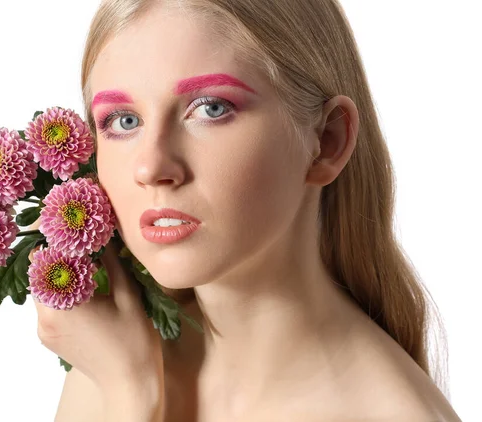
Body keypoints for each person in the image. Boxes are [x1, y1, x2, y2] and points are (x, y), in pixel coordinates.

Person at [30, 0, 462, 421]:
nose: (152, 167)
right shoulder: (114, 350)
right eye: (123, 121)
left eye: (211, 109)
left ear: (326, 141)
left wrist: (128, 395)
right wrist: (127, 382)